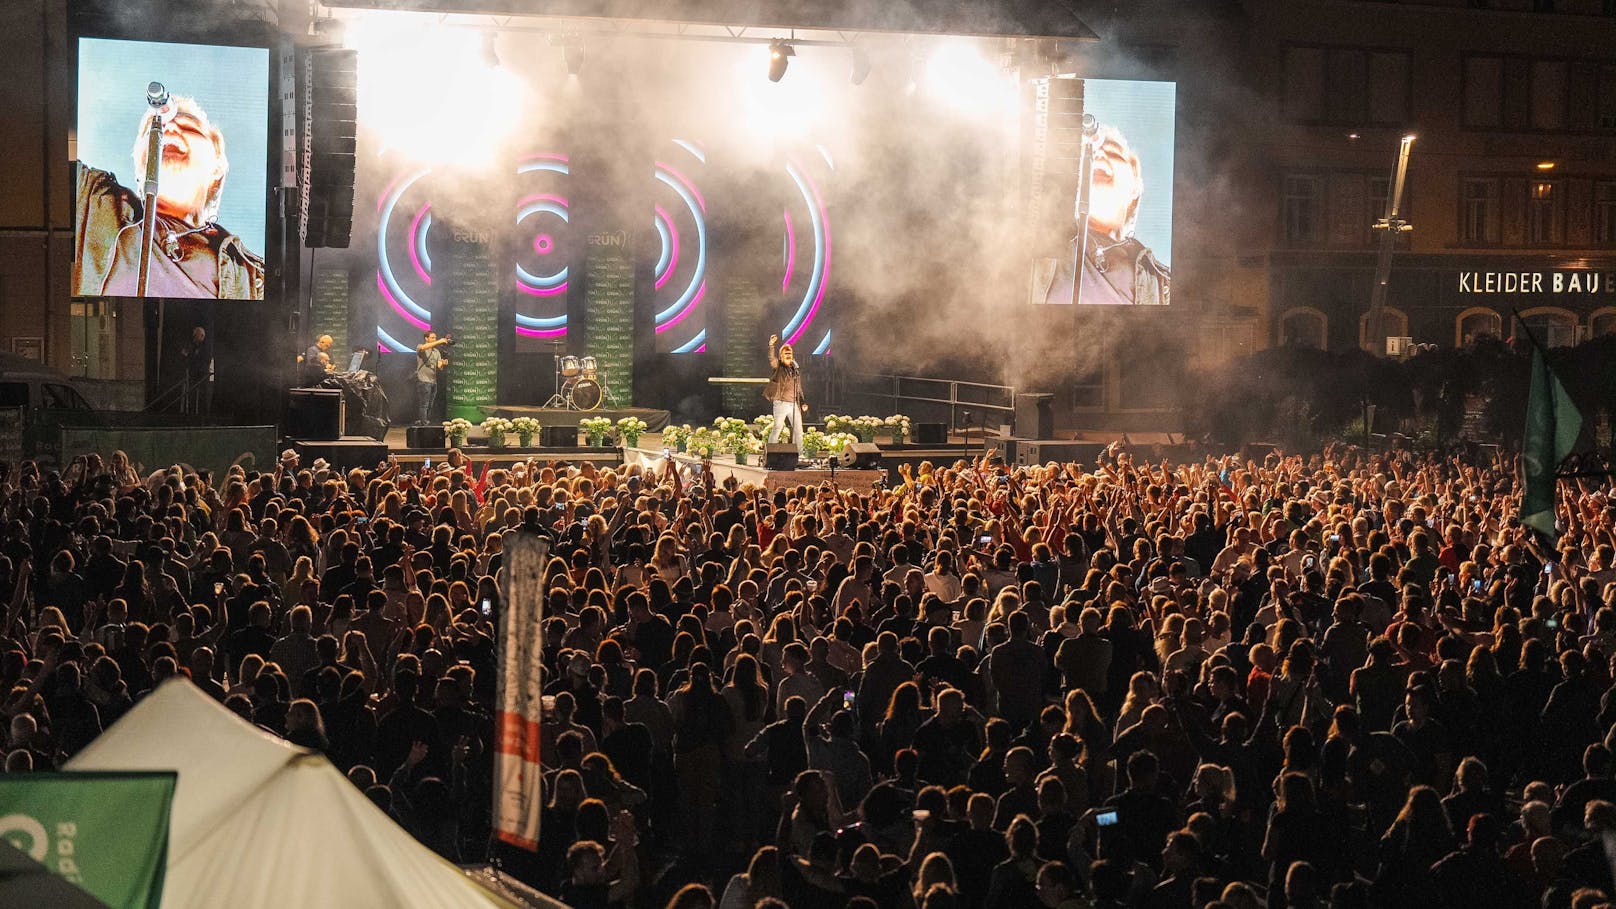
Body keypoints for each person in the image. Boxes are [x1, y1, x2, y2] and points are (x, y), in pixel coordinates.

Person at [73, 93, 264, 299]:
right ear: (141, 169)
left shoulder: (256, 278)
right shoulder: (91, 197)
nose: (170, 128)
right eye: (156, 130)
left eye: (189, 126)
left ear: (217, 165)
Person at [1034, 121, 1169, 306]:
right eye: (1087, 152)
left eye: (1113, 152)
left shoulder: (1164, 284)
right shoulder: (1037, 239)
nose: (1098, 152)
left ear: (1135, 181)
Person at [764, 333, 806, 447]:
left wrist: (802, 402)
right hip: (781, 402)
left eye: (790, 353)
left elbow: (798, 387)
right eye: (786, 353)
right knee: (777, 427)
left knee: (798, 429)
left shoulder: (795, 369)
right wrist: (771, 345)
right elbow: (771, 358)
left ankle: (799, 454)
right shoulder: (778, 366)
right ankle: (771, 451)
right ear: (781, 355)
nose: (788, 355)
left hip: (793, 404)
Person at [415, 331, 451, 425]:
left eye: (435, 338)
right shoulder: (420, 346)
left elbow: (439, 367)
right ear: (426, 338)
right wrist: (439, 341)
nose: (434, 339)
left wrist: (443, 363)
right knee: (424, 404)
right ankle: (423, 424)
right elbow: (423, 348)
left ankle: (426, 421)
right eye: (432, 338)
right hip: (423, 380)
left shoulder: (436, 352)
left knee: (430, 405)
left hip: (433, 381)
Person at [181, 325, 214, 415]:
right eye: (194, 335)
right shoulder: (192, 345)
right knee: (191, 394)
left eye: (196, 335)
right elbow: (185, 354)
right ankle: (191, 413)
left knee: (203, 395)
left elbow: (206, 359)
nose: (194, 337)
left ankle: (203, 414)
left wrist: (194, 357)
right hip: (193, 372)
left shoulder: (207, 346)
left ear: (202, 336)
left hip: (202, 374)